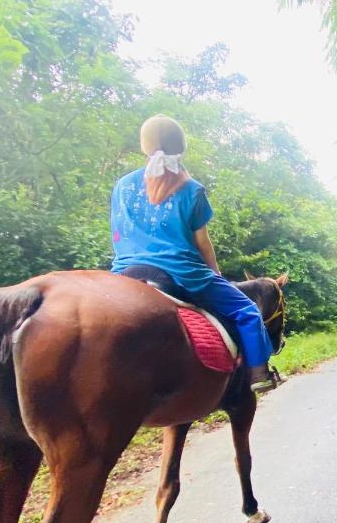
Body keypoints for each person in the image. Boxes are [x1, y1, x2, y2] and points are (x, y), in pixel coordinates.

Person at [110, 114, 277, 393]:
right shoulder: (191, 189)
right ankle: (259, 374)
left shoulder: (123, 186)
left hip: (125, 273)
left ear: (144, 147)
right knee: (247, 311)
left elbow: (117, 234)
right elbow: (202, 242)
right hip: (181, 273)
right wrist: (215, 273)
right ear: (180, 149)